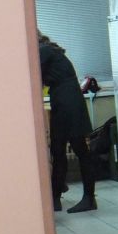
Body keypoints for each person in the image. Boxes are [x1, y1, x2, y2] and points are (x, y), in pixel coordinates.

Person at [38, 33, 98, 214]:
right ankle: (55, 197)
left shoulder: (44, 51)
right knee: (57, 150)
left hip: (68, 101)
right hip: (63, 100)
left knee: (80, 150)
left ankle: (89, 198)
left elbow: (32, 75)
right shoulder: (48, 50)